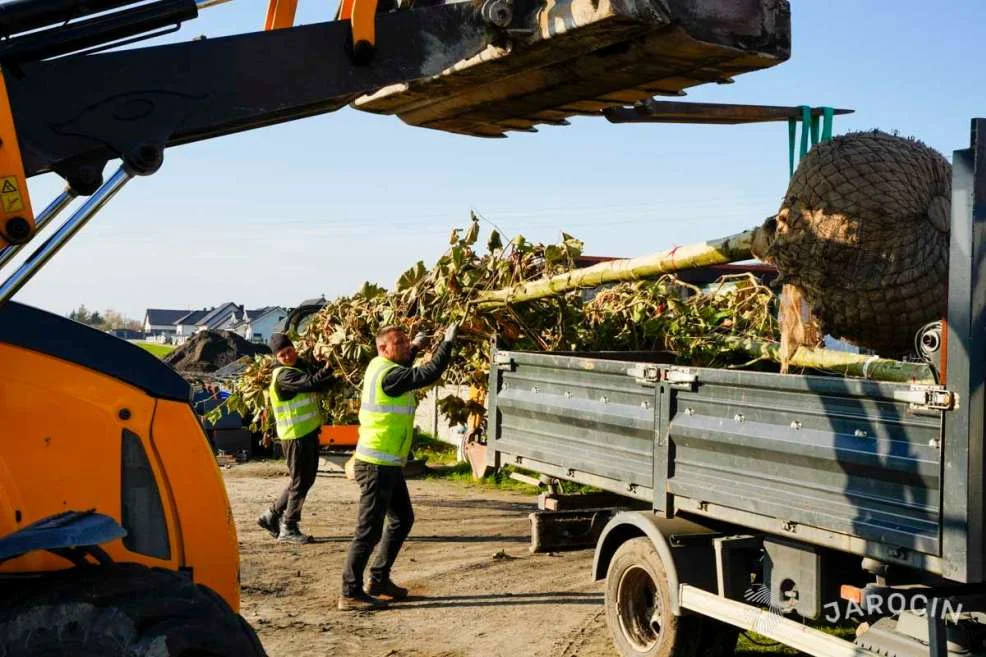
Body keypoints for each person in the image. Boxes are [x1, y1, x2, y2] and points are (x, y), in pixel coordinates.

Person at [337, 323, 458, 611]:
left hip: (387, 463)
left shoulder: (379, 365)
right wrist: (447, 343)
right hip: (376, 464)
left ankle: (378, 580)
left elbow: (406, 361)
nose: (405, 346)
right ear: (383, 348)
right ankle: (350, 592)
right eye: (400, 343)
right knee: (368, 530)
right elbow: (426, 373)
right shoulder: (390, 376)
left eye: (406, 342)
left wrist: (417, 344)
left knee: (402, 519)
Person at [256, 332, 334, 544]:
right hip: (295, 436)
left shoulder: (299, 365)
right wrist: (330, 368)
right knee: (301, 481)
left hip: (306, 433)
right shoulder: (284, 375)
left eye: (289, 351)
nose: (288, 357)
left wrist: (326, 369)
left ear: (294, 348)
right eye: (282, 355)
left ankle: (271, 516)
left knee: (302, 480)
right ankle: (288, 527)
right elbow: (310, 383)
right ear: (276, 358)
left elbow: (317, 380)